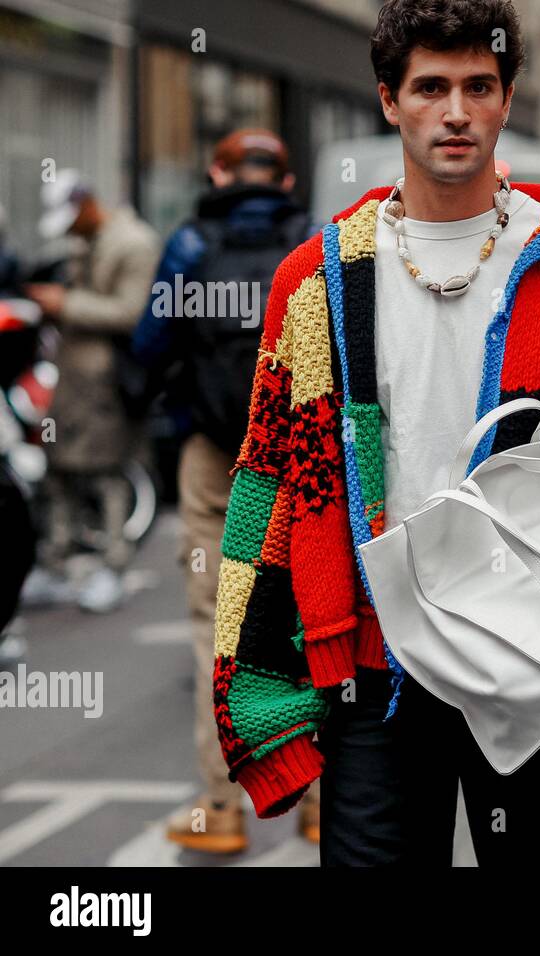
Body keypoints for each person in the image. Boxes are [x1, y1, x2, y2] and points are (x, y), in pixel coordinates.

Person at [211, 0, 540, 866]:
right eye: (431, 87)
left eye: (478, 85)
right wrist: (263, 691)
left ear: (508, 99)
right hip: (377, 674)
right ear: (389, 101)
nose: (456, 111)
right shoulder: (315, 281)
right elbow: (270, 483)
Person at [132, 129, 319, 853]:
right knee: (309, 615)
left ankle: (221, 805)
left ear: (217, 172)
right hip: (296, 455)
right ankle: (317, 797)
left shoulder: (187, 245)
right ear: (287, 178)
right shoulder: (312, 241)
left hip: (214, 453)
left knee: (214, 626)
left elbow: (149, 344)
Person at [25, 171, 160, 613]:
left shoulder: (134, 242)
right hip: (73, 378)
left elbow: (132, 310)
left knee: (107, 472)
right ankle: (57, 561)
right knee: (57, 469)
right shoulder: (89, 242)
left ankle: (113, 566)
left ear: (86, 205)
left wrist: (64, 304)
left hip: (106, 383)